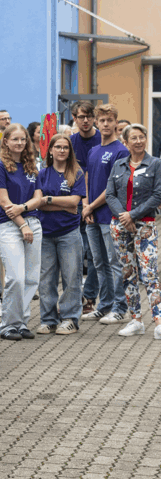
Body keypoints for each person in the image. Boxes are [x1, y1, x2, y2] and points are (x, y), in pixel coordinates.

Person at [105, 123, 161, 339]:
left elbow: (157, 195)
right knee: (128, 273)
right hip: (119, 227)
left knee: (150, 274)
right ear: (125, 143)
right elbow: (110, 195)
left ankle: (158, 321)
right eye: (134, 138)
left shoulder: (155, 164)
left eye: (142, 137)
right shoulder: (118, 165)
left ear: (146, 139)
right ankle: (135, 320)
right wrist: (123, 216)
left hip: (145, 226)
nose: (138, 141)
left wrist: (133, 215)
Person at [30, 134, 86, 336]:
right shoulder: (41, 174)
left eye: (66, 147)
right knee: (46, 279)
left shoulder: (76, 173)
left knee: (72, 277)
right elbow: (38, 204)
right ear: (50, 150)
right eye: (58, 147)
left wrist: (48, 200)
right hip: (45, 234)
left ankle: (70, 318)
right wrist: (61, 203)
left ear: (70, 151)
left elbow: (74, 204)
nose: (62, 150)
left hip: (69, 233)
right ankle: (48, 319)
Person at [0, 123, 41, 341]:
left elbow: (39, 198)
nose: (20, 143)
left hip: (33, 222)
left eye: (23, 139)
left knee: (31, 278)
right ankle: (8, 325)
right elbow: (4, 202)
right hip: (9, 225)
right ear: (6, 141)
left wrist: (24, 208)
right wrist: (22, 223)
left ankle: (22, 323)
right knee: (16, 277)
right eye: (15, 139)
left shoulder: (32, 166)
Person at [82, 103, 130, 325]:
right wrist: (85, 204)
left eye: (110, 120)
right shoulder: (93, 150)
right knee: (99, 263)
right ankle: (105, 306)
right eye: (102, 120)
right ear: (96, 122)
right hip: (91, 215)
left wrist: (91, 206)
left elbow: (113, 187)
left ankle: (121, 308)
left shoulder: (120, 150)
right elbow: (88, 178)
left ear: (116, 123)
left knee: (115, 263)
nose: (105, 124)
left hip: (110, 216)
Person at [70, 101, 102, 318]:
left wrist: (88, 205)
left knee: (94, 255)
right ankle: (75, 298)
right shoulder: (71, 142)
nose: (85, 120)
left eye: (88, 116)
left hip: (97, 204)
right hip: (74, 205)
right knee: (74, 253)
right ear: (74, 118)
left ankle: (89, 298)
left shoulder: (102, 139)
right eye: (80, 117)